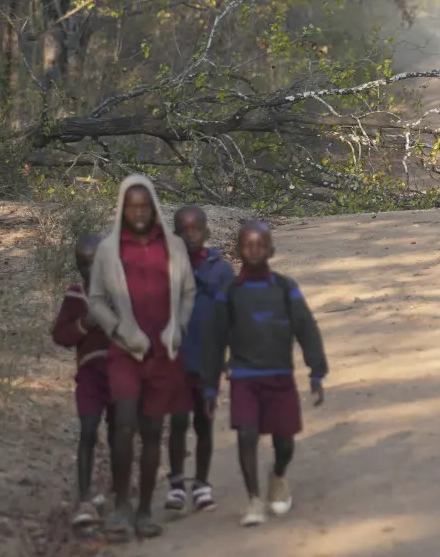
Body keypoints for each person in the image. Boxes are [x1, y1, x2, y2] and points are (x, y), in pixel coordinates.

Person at [86, 175, 195, 541]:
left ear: (153, 207)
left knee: (151, 431)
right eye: (131, 206)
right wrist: (120, 330)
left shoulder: (175, 247)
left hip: (164, 354)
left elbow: (188, 293)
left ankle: (146, 509)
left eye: (144, 206)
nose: (138, 212)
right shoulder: (108, 250)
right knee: (125, 422)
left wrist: (177, 328)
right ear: (122, 207)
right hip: (125, 351)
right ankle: (121, 506)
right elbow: (96, 299)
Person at [203, 220, 328, 527]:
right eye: (248, 245)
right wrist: (209, 386)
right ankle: (254, 500)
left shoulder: (286, 288)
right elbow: (215, 339)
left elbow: (306, 329)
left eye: (261, 245)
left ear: (271, 249)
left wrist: (316, 370)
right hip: (245, 377)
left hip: (280, 377)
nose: (255, 250)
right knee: (246, 435)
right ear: (238, 250)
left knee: (284, 443)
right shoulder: (229, 292)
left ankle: (277, 475)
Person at [165, 205, 235, 513]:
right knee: (178, 421)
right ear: (176, 235)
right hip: (175, 358)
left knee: (204, 422)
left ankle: (202, 484)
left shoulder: (220, 270)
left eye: (196, 229)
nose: (190, 235)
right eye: (183, 230)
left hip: (208, 359)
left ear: (206, 231)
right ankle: (177, 484)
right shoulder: (168, 268)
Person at [50, 234, 113, 527]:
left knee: (120, 431)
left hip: (121, 370)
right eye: (83, 264)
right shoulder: (76, 297)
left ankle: (116, 492)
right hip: (89, 374)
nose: (90, 270)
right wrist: (83, 325)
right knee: (88, 429)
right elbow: (60, 335)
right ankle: (85, 498)